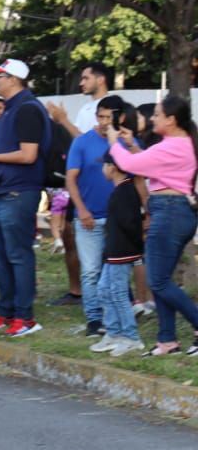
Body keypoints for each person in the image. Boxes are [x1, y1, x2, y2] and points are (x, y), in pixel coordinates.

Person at [107, 94, 198, 356]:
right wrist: (132, 146)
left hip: (169, 213)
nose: (151, 118)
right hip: (175, 212)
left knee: (157, 282)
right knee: (161, 279)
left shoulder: (172, 146)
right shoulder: (178, 143)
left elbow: (126, 165)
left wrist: (114, 143)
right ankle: (167, 340)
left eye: (157, 114)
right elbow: (152, 166)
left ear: (171, 120)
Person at [0, 59, 51, 337]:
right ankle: (6, 313)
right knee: (0, 255)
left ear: (15, 79)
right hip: (0, 193)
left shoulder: (28, 109)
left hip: (17, 192)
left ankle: (25, 317)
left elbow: (28, 155)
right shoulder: (11, 109)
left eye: (0, 76)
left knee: (17, 255)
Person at [65, 96, 122, 336]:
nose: (103, 122)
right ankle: (94, 319)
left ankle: (117, 315)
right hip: (89, 217)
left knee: (116, 269)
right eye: (100, 116)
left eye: (109, 117)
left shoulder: (124, 142)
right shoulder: (82, 143)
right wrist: (82, 210)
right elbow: (71, 179)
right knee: (90, 270)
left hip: (119, 218)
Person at [89, 152, 147, 356]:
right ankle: (114, 333)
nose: (102, 169)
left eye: (104, 165)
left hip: (121, 252)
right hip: (113, 251)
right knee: (105, 289)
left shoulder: (124, 192)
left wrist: (133, 250)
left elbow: (130, 225)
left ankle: (131, 337)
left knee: (119, 293)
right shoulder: (121, 190)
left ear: (112, 167)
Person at [47, 61, 113, 136]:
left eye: (86, 78)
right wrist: (58, 121)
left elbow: (88, 141)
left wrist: (63, 120)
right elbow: (74, 136)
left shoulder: (112, 106)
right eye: (82, 79)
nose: (81, 83)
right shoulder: (85, 108)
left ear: (100, 80)